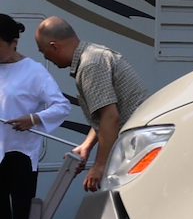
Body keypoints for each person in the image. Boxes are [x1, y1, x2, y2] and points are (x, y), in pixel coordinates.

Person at [34, 18, 148, 194]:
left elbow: (110, 117)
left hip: (137, 147)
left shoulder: (90, 64)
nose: (46, 57)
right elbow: (104, 116)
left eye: (44, 52)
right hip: (137, 144)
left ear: (54, 46)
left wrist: (100, 166)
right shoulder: (92, 56)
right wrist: (86, 146)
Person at [0, 16, 72, 219]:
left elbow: (61, 106)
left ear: (14, 43)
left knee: (23, 217)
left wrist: (33, 119)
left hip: (19, 153)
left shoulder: (34, 71)